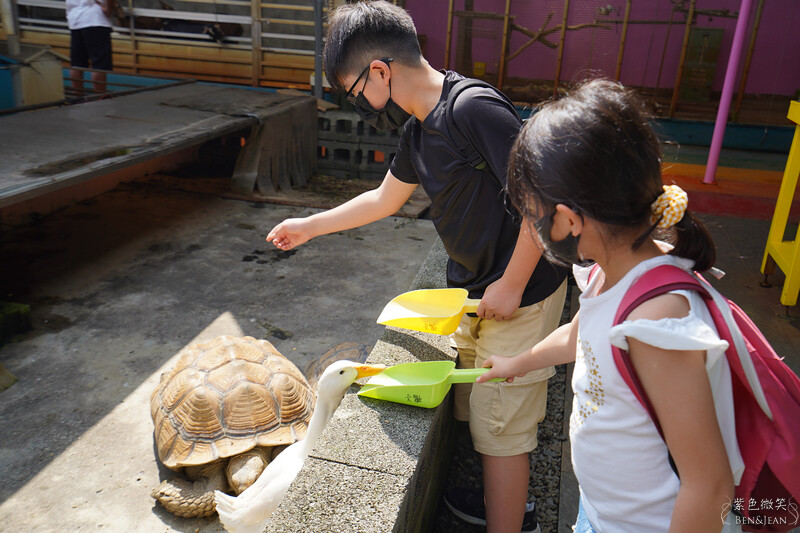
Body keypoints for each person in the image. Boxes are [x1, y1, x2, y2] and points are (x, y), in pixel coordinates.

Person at [266, 2, 568, 531]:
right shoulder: (418, 130)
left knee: (504, 431)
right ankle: (500, 500)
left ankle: (514, 520)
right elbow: (384, 199)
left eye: (353, 90)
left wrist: (512, 284)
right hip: (476, 290)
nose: (357, 102)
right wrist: (310, 224)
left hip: (520, 293)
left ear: (379, 70)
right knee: (479, 414)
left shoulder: (473, 109)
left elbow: (540, 200)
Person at [476, 79, 743, 532]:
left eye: (533, 214)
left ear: (569, 219)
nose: (533, 227)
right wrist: (517, 362)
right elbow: (579, 336)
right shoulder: (608, 272)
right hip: (600, 511)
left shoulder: (655, 322)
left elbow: (710, 485)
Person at [66, 0, 115, 96]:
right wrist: (109, 9)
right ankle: (99, 96)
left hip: (75, 20)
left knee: (77, 63)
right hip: (95, 18)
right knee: (99, 64)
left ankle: (77, 96)